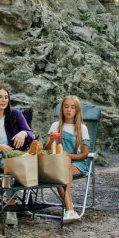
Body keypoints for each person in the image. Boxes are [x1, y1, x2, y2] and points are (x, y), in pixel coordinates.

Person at [0, 84, 41, 226]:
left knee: (14, 161)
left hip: (9, 157)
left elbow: (31, 134)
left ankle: (11, 205)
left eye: (6, 97)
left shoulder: (15, 115)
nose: (3, 100)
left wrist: (24, 133)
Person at [45, 95, 91, 224]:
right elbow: (47, 149)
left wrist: (69, 156)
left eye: (72, 107)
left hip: (77, 163)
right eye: (66, 107)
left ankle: (69, 209)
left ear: (77, 110)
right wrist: (52, 140)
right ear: (62, 109)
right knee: (60, 169)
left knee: (62, 170)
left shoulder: (82, 128)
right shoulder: (56, 125)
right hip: (58, 163)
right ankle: (70, 210)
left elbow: (85, 154)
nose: (69, 110)